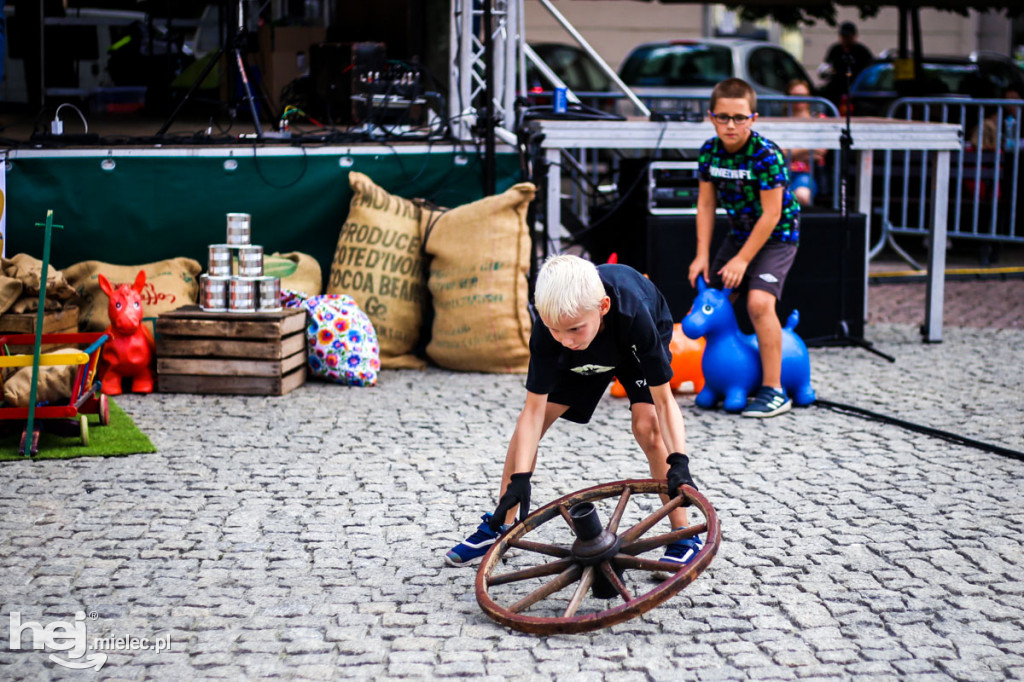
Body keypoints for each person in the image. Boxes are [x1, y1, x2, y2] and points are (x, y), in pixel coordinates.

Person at [444, 254, 700, 567]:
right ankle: (502, 523)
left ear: (603, 307)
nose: (565, 341)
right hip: (590, 342)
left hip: (632, 340)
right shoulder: (555, 329)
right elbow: (532, 411)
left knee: (646, 426)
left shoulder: (635, 312)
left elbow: (664, 402)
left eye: (573, 330)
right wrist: (519, 480)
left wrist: (680, 461)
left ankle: (684, 531)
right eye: (555, 330)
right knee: (535, 424)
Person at [687, 77, 801, 418]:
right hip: (739, 234)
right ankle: (721, 379)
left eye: (739, 117)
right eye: (723, 117)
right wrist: (703, 254)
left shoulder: (767, 155)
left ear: (753, 118)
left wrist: (742, 260)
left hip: (777, 235)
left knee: (759, 304)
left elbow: (772, 214)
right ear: (711, 117)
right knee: (714, 300)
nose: (731, 125)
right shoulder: (710, 151)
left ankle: (774, 389)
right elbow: (705, 205)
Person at [785, 78, 827, 206]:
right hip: (781, 173)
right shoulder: (781, 120)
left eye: (802, 96)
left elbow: (820, 153)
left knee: (802, 196)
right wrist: (807, 150)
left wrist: (789, 152)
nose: (798, 100)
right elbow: (776, 153)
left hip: (806, 174)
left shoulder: (819, 119)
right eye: (794, 96)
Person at [819, 21, 874, 107]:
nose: (845, 40)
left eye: (848, 37)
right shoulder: (835, 50)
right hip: (836, 89)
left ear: (854, 36)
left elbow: (869, 70)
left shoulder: (862, 51)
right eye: (843, 36)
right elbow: (827, 66)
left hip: (857, 90)